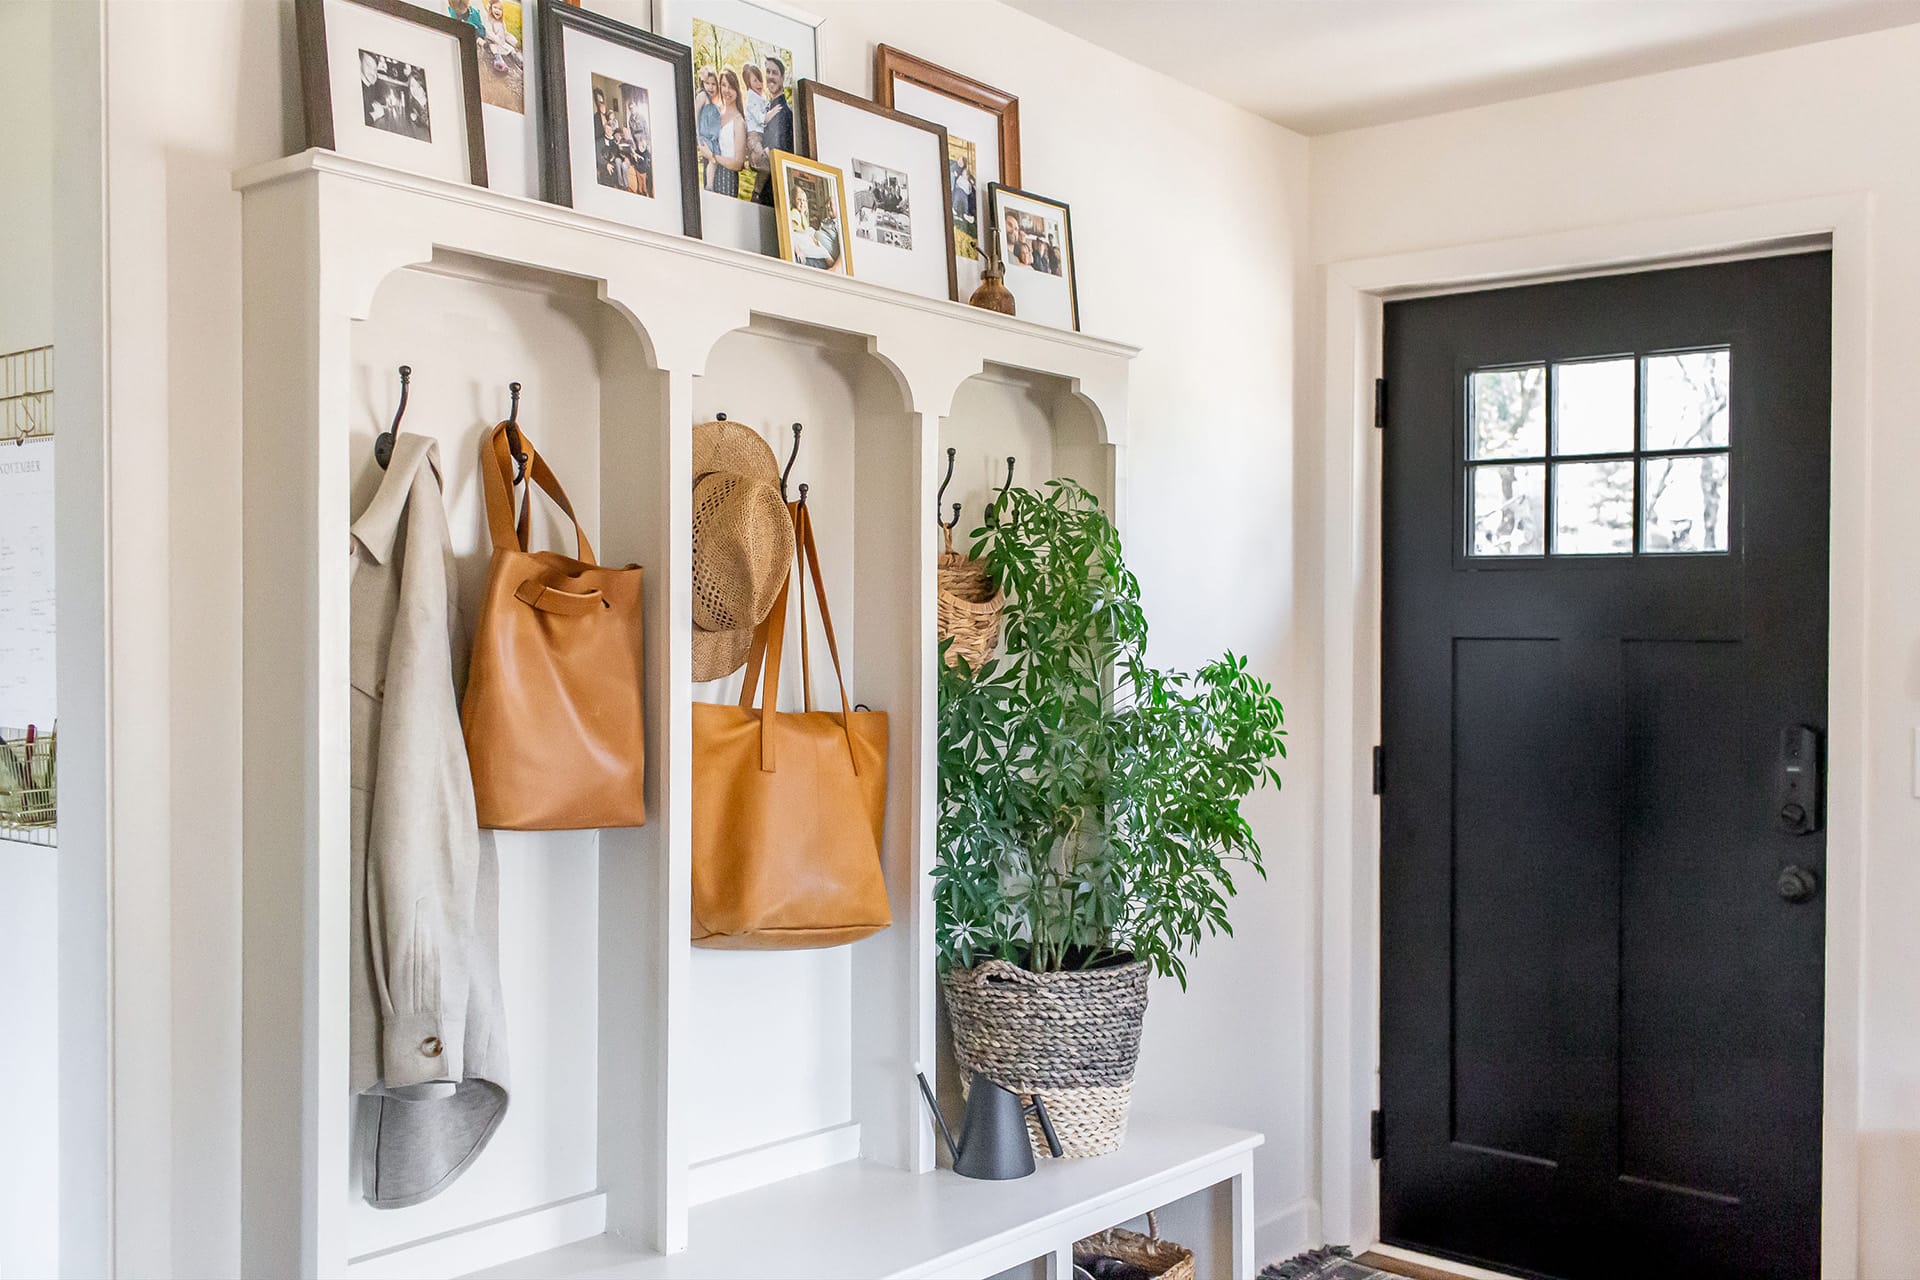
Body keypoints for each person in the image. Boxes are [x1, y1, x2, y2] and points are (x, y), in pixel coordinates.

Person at [698, 69, 746, 198]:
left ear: (737, 90)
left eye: (731, 87)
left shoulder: (739, 121)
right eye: (724, 85)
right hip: (710, 170)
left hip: (727, 178)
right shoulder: (716, 111)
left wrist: (713, 156)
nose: (727, 90)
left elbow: (738, 163)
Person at [755, 56, 793, 206]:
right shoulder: (767, 109)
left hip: (771, 192)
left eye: (775, 73)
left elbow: (776, 154)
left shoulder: (784, 113)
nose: (770, 76)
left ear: (782, 78)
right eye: (768, 72)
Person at [694, 68, 721, 190]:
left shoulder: (714, 102)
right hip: (704, 137)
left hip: (712, 138)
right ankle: (709, 186)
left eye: (713, 84)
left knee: (715, 160)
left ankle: (711, 186)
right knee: (712, 160)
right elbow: (695, 115)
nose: (710, 87)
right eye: (707, 83)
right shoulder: (702, 96)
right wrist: (697, 138)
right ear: (703, 84)